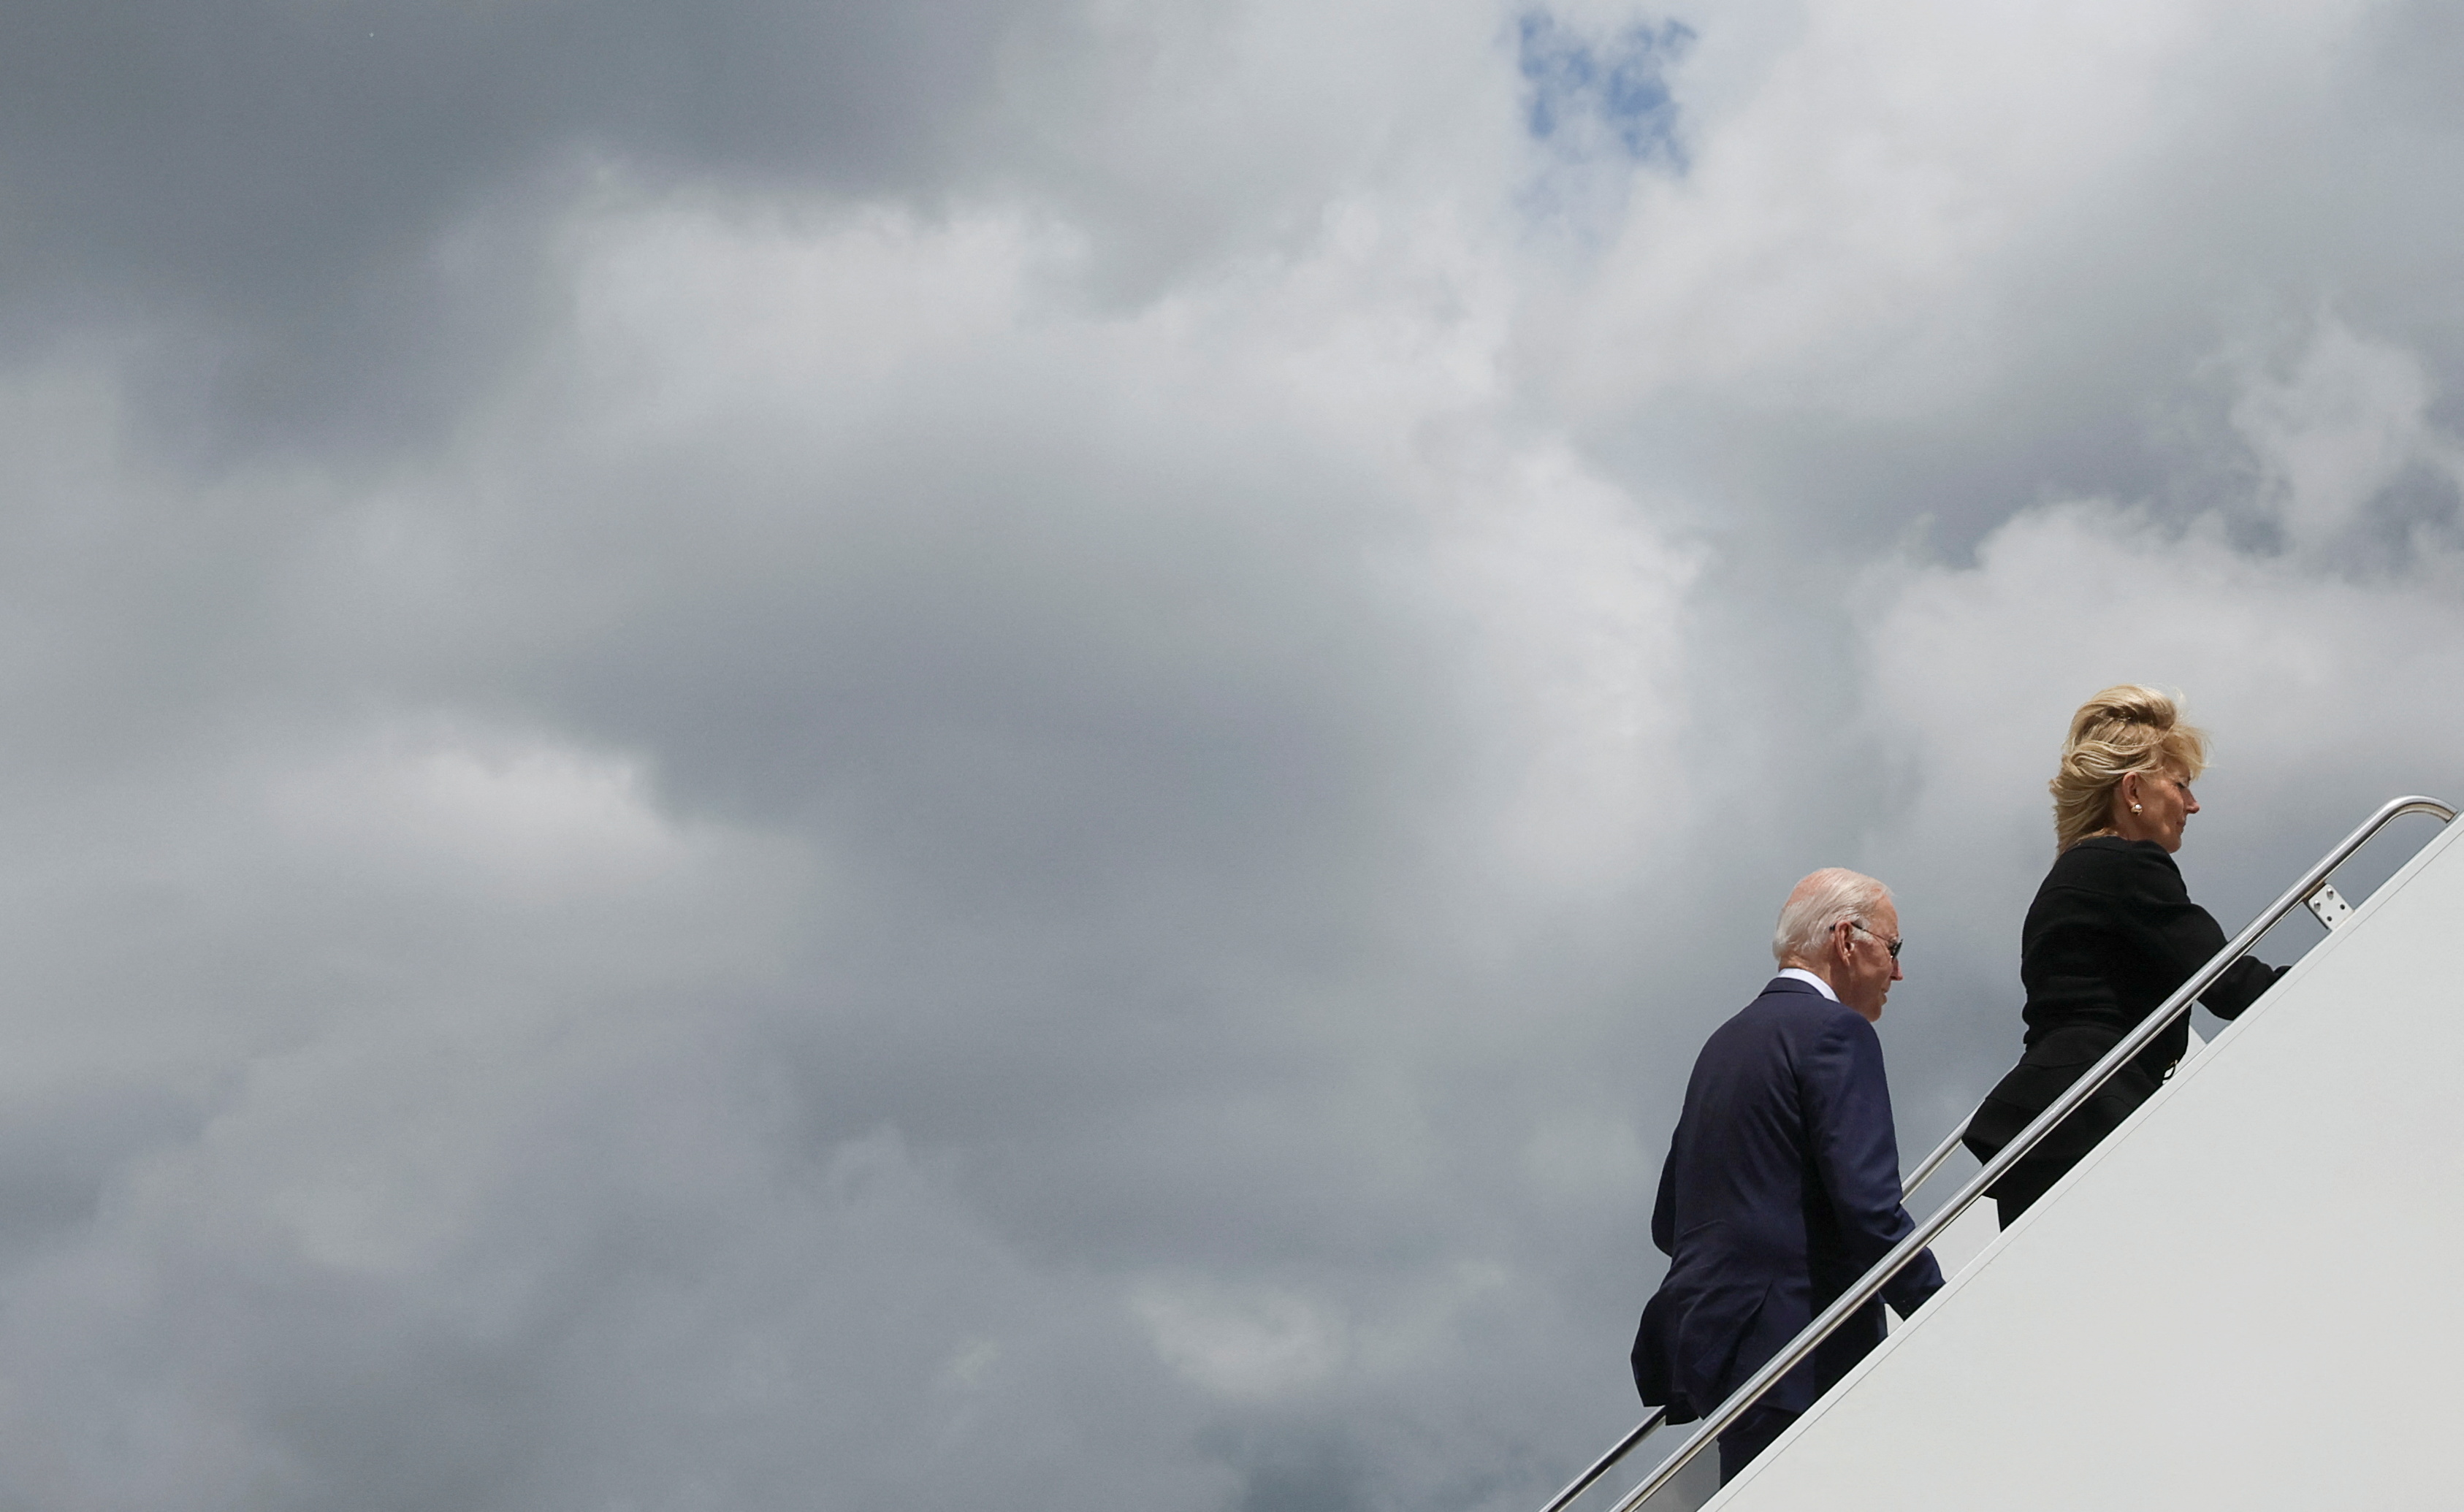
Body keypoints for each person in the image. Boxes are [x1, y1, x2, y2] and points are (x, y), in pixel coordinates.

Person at [1632, 868, 1945, 1484]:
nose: (1899, 972)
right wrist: (1942, 1306)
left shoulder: (1721, 1045)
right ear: (1846, 938)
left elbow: (1669, 1219)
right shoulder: (1834, 1032)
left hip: (1718, 1348)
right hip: (1803, 1346)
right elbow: (1869, 1207)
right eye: (1894, 947)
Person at [1961, 685, 2285, 1226]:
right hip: (2092, 1114)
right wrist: (2350, 976)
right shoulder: (2125, 865)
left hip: (2050, 1124)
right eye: (2180, 785)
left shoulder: (2071, 875)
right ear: (2132, 789)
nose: (2192, 804)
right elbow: (2227, 983)